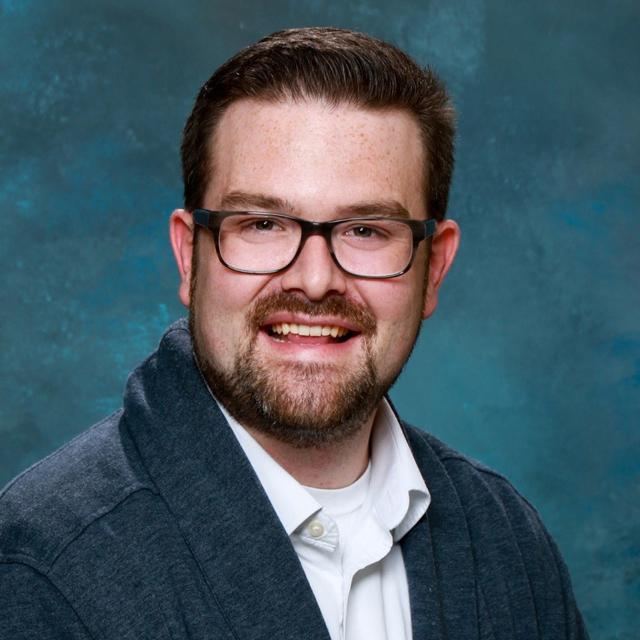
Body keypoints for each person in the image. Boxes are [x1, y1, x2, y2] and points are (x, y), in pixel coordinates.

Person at [0, 27, 588, 640]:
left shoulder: (509, 547)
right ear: (188, 256)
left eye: (365, 230)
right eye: (262, 223)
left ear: (434, 267)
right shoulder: (44, 570)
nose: (313, 280)